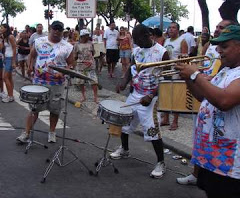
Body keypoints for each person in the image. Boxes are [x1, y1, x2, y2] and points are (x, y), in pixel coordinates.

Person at [175, 24, 240, 197]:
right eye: (218, 46)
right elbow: (202, 97)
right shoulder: (225, 70)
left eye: (225, 46)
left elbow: (224, 101)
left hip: (231, 161)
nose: (218, 50)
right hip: (212, 155)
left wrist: (195, 75)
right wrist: (188, 78)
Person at [112, 24, 170, 178]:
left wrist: (151, 95)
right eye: (135, 40)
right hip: (135, 93)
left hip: (151, 97)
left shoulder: (162, 53)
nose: (136, 43)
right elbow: (131, 70)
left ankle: (161, 163)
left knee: (152, 130)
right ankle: (124, 149)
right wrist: (124, 82)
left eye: (138, 39)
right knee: (125, 123)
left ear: (148, 35)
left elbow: (167, 79)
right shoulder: (136, 51)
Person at [16, 20, 74, 143]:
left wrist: (63, 72)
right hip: (39, 81)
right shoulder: (39, 41)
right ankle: (26, 132)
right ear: (50, 28)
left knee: (54, 109)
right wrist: (30, 66)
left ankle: (52, 132)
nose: (57, 31)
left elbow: (71, 64)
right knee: (34, 108)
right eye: (55, 28)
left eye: (59, 29)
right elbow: (31, 55)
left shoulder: (67, 47)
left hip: (57, 83)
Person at [161, 22, 188, 130]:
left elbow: (185, 58)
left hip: (176, 72)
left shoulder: (182, 41)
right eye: (169, 28)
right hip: (166, 71)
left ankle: (175, 121)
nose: (171, 30)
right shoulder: (166, 41)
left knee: (176, 96)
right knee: (166, 95)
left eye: (173, 28)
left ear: (177, 30)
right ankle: (166, 118)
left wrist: (182, 72)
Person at [74, 29, 98, 103]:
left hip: (90, 66)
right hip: (80, 66)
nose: (87, 37)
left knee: (94, 82)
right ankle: (83, 96)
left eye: (88, 35)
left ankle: (95, 97)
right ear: (82, 36)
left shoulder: (91, 44)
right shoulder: (77, 45)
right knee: (81, 82)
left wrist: (89, 60)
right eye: (86, 35)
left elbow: (93, 53)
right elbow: (75, 56)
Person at [0, 24, 16, 103]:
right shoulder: (4, 38)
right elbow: (0, 48)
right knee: (9, 78)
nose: (0, 29)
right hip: (6, 58)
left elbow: (14, 48)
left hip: (10, 58)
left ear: (6, 28)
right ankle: (11, 95)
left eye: (2, 28)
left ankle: (10, 95)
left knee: (5, 77)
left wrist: (14, 61)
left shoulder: (10, 37)